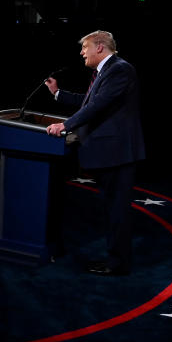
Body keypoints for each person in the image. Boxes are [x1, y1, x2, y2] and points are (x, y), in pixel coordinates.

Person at [44, 30, 144, 276]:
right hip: (110, 152)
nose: (82, 53)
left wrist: (65, 125)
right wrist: (58, 93)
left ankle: (117, 263)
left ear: (100, 47)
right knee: (112, 208)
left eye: (85, 47)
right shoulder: (105, 72)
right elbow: (89, 101)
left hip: (117, 152)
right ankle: (115, 259)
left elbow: (99, 105)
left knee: (117, 209)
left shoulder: (120, 69)